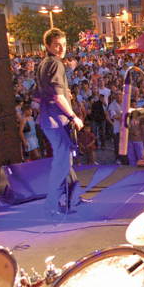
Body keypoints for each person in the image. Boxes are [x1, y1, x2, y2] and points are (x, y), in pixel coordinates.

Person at [38, 28, 86, 216]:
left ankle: (72, 198)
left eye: (64, 45)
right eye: (57, 45)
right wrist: (73, 116)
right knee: (62, 165)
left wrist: (64, 95)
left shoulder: (43, 64)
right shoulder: (56, 64)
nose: (61, 49)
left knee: (64, 162)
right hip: (57, 121)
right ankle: (51, 205)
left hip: (48, 119)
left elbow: (37, 95)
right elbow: (57, 97)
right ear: (48, 46)